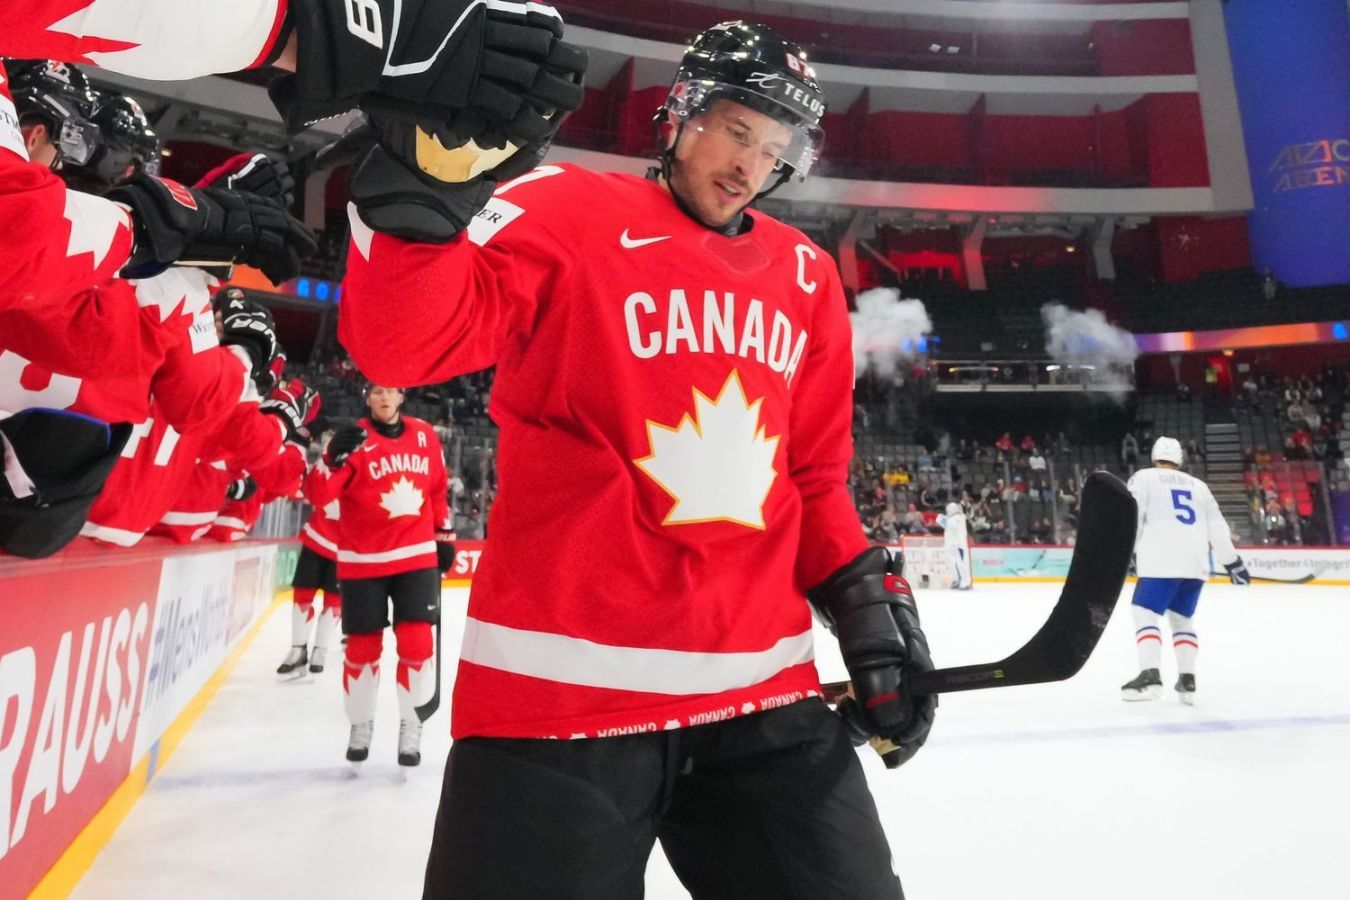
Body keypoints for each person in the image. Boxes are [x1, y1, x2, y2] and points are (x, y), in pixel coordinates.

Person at [337, 20, 934, 898]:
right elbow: (402, 348)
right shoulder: (560, 206)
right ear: (681, 113)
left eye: (774, 150)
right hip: (559, 697)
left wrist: (864, 603)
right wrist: (413, 195)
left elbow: (811, 478)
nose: (750, 165)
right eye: (737, 131)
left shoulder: (808, 277)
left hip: (765, 699)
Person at [318, 384, 454, 767]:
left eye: (391, 391)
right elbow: (320, 496)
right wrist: (329, 461)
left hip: (416, 556)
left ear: (401, 397)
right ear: (367, 397)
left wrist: (444, 534)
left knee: (417, 644)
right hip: (363, 561)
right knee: (362, 650)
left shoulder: (424, 436)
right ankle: (361, 724)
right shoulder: (351, 440)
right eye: (377, 391)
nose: (384, 398)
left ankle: (411, 725)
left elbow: (437, 488)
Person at [1121, 436, 1250, 704]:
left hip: (1160, 560)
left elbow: (1132, 517)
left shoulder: (1143, 478)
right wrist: (1232, 562)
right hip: (1195, 563)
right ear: (1180, 458)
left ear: (1154, 455)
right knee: (1182, 620)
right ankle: (1187, 680)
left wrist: (1126, 552)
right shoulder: (1199, 486)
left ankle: (1150, 677)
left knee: (1144, 613)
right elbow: (1217, 527)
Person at [938, 501, 972, 590]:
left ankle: (965, 582)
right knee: (953, 563)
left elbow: (959, 533)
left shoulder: (959, 518)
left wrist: (958, 544)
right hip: (951, 546)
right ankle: (957, 580)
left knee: (961, 564)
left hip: (958, 546)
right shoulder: (952, 519)